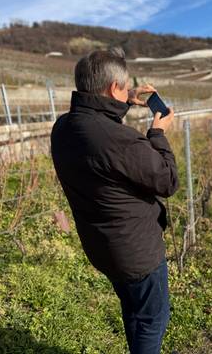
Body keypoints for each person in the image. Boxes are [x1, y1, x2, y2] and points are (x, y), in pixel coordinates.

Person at [51, 48, 179, 354]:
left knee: (133, 311)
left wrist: (125, 98)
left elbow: (98, 125)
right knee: (152, 319)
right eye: (123, 88)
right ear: (111, 88)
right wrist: (158, 134)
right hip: (137, 252)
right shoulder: (118, 139)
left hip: (102, 246)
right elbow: (167, 181)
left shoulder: (63, 128)